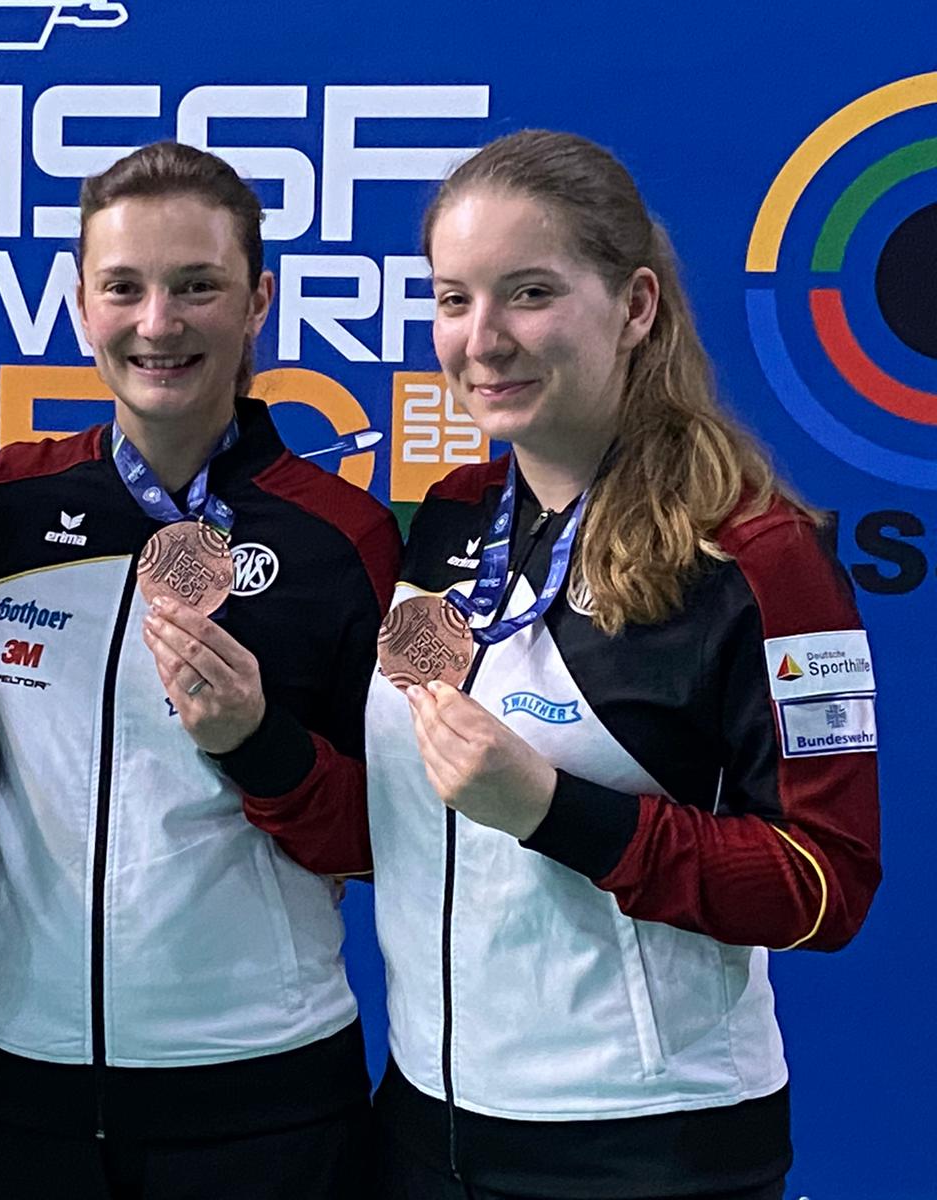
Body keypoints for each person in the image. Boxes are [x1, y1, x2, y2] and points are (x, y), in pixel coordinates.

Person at [366, 129, 882, 1200]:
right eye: (453, 299)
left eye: (529, 294)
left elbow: (827, 887)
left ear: (635, 306)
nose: (482, 339)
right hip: (423, 1122)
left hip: (645, 1147)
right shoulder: (451, 518)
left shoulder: (759, 557)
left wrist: (556, 810)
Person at [0, 141, 401, 1198]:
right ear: (79, 302)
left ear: (257, 302)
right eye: (123, 288)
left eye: (197, 286)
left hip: (262, 1086)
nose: (157, 323)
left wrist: (259, 748)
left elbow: (395, 834)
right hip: (16, 1078)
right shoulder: (5, 505)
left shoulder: (343, 537)